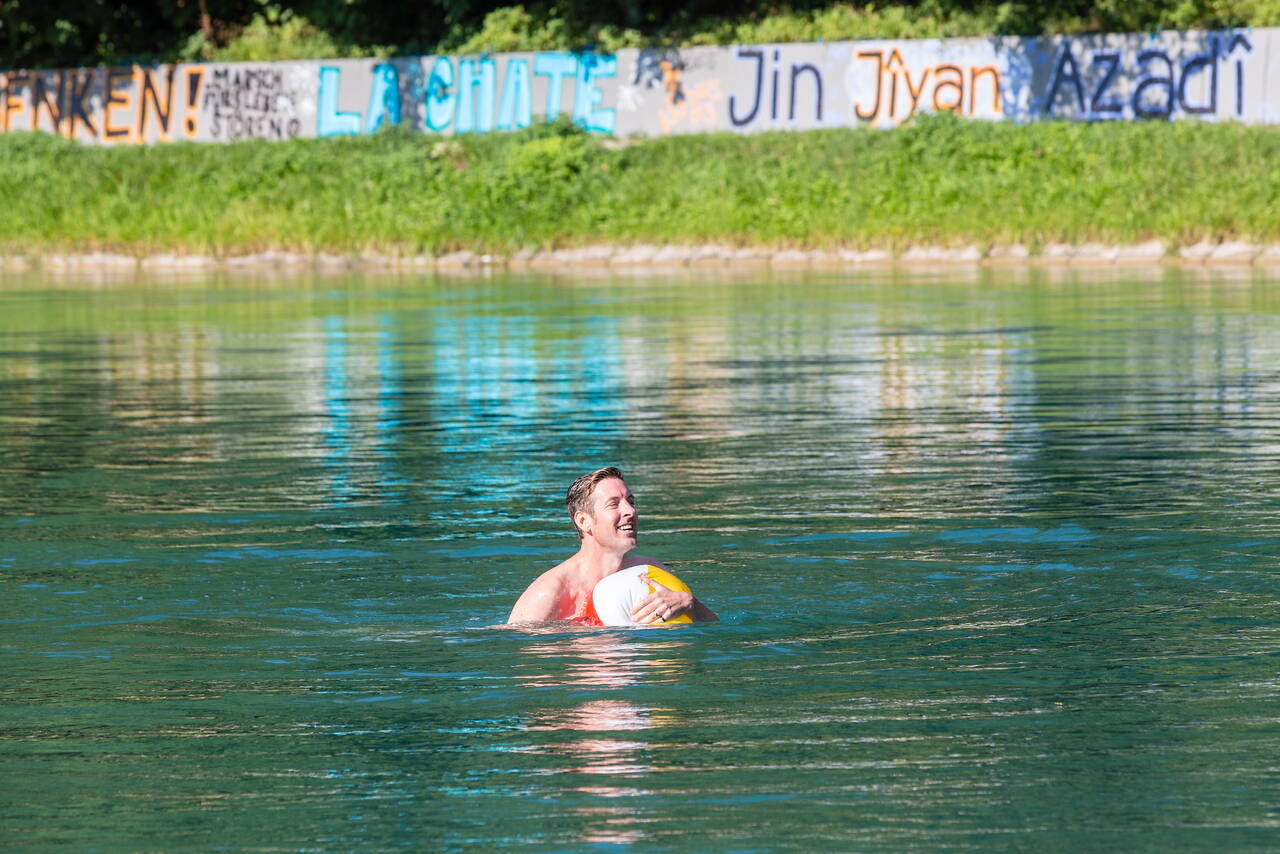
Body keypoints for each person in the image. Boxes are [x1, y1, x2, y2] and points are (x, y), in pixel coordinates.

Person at [507, 467, 717, 625]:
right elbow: (519, 657)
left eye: (631, 502)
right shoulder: (549, 592)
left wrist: (689, 603)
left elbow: (713, 627)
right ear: (583, 521)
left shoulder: (649, 571)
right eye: (614, 504)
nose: (630, 511)